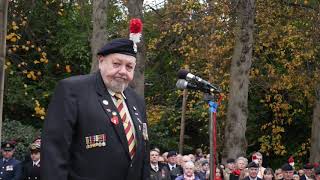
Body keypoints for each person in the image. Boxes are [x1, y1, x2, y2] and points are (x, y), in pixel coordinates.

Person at [41, 38, 150, 180]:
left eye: (129, 67)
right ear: (101, 61)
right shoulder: (73, 90)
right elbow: (54, 153)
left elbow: (143, 158)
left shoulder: (137, 101)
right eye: (116, 64)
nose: (123, 71)